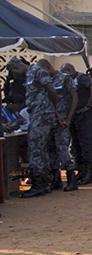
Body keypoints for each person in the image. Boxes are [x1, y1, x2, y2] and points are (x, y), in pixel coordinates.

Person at [7, 58, 61, 198]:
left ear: (16, 69)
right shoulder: (31, 74)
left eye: (14, 74)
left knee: (35, 148)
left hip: (42, 114)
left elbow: (52, 91)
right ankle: (43, 183)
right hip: (37, 114)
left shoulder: (37, 71)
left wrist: (53, 110)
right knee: (39, 149)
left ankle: (38, 184)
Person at [61, 63, 92, 186]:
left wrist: (88, 104)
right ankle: (81, 170)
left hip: (83, 114)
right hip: (73, 115)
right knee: (76, 144)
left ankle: (88, 173)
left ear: (69, 70)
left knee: (84, 143)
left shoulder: (81, 78)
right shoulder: (68, 81)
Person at [50, 62, 79, 191]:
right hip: (49, 120)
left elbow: (74, 98)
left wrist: (68, 118)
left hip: (62, 121)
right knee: (50, 150)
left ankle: (71, 178)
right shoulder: (45, 80)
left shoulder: (64, 79)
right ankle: (56, 179)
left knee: (62, 149)